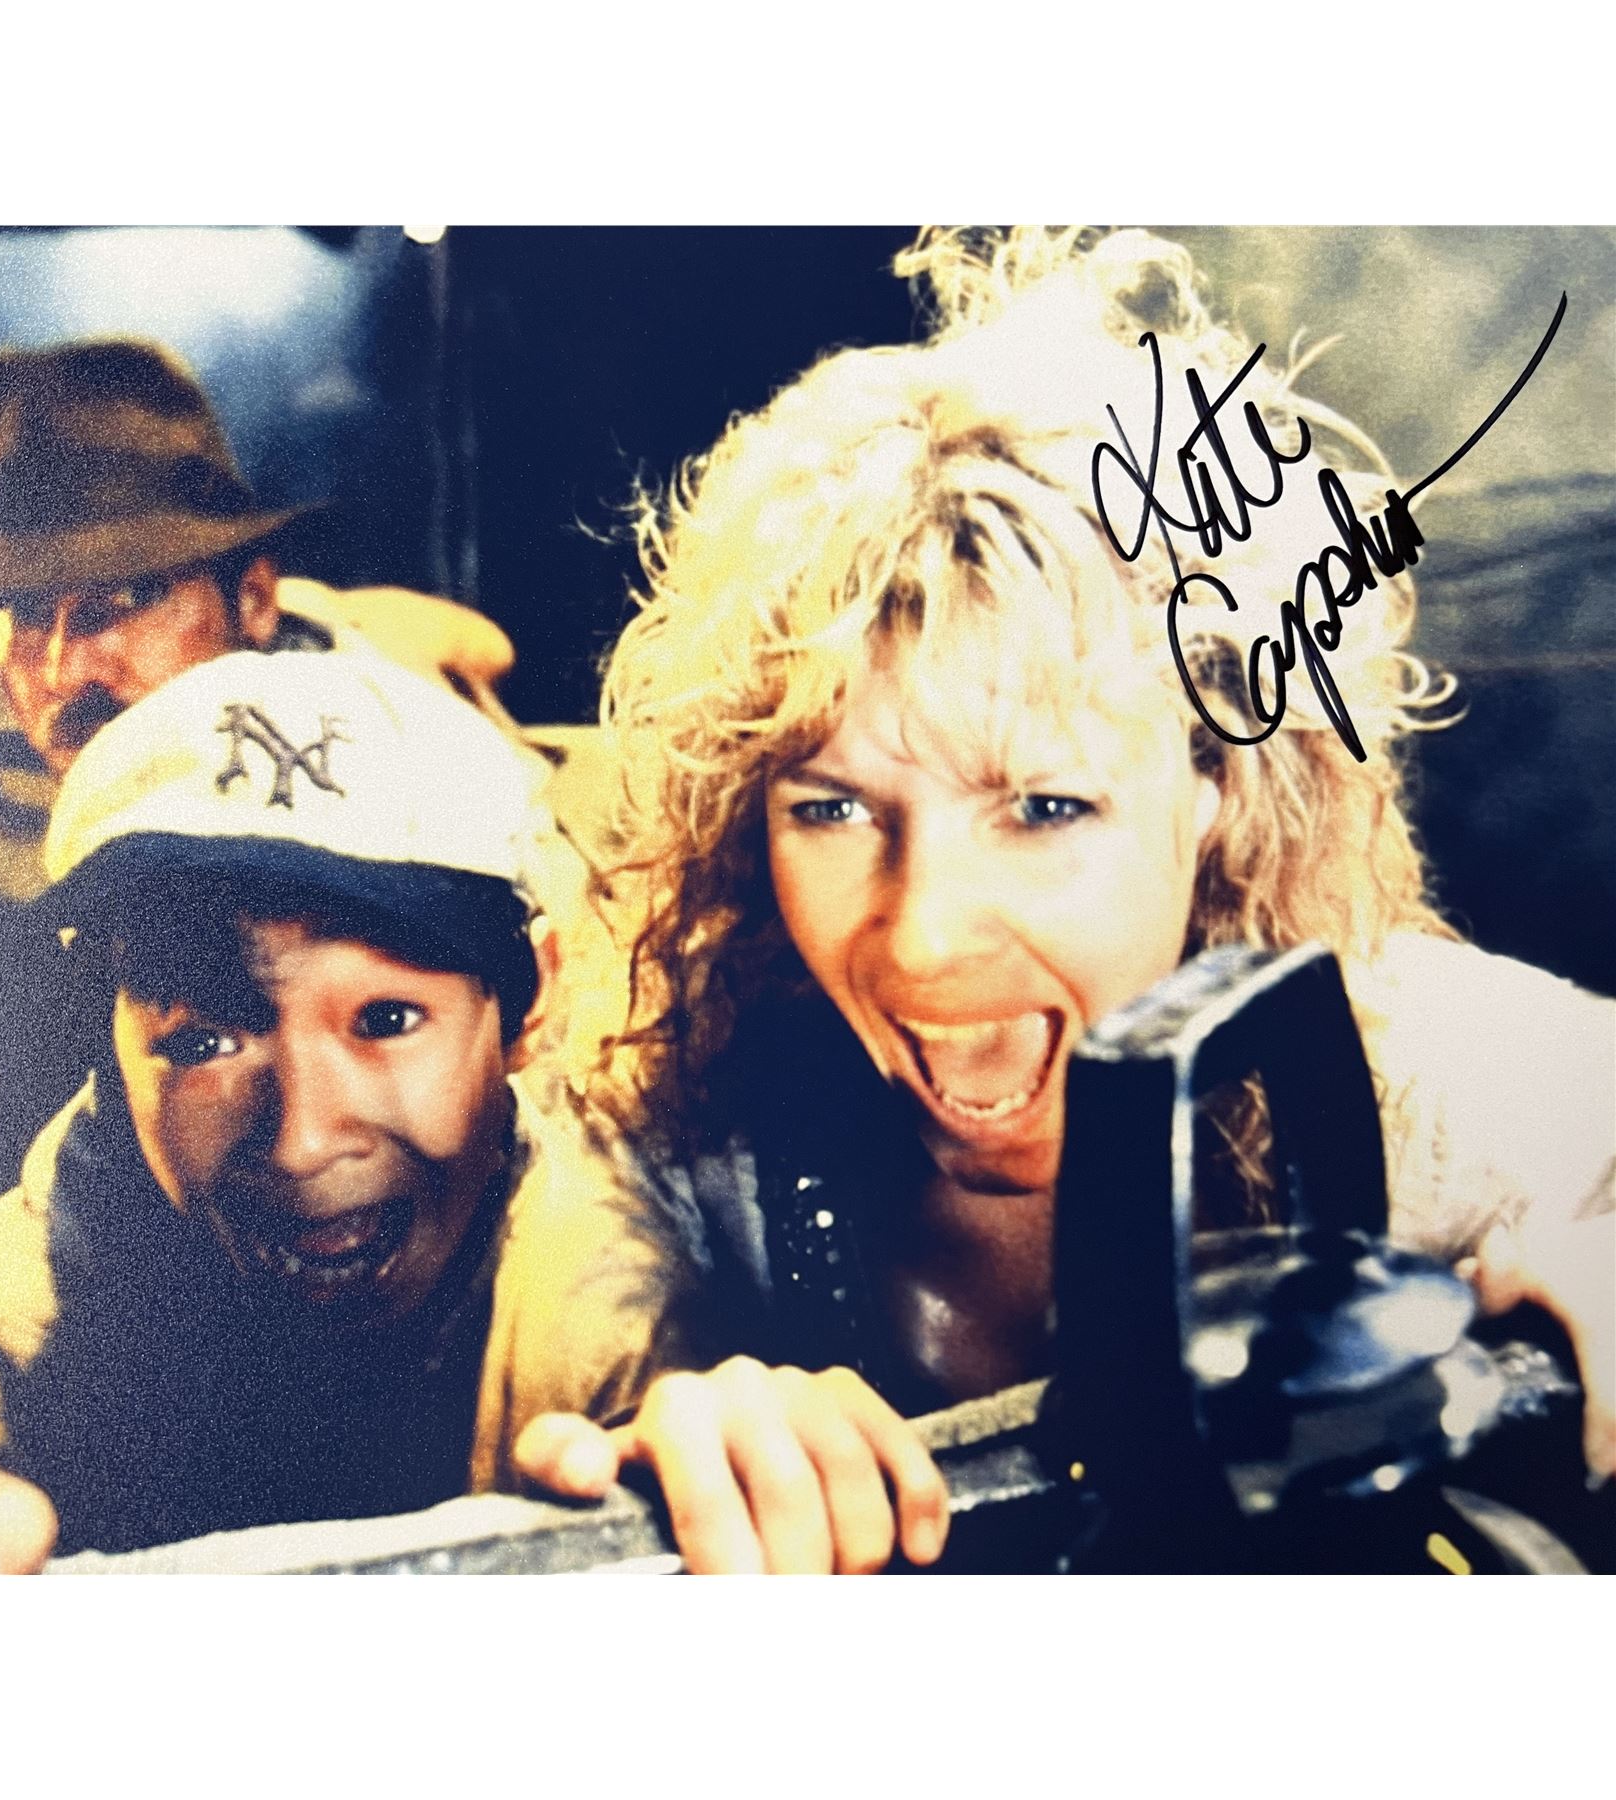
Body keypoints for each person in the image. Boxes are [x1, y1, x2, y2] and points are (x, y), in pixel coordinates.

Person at [554, 225, 1614, 1555]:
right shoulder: (687, 1136)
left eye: (1045, 807)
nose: (923, 937)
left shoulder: (1439, 1086)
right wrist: (677, 1441)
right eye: (830, 808)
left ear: (1220, 785)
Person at [0, 648, 946, 1573]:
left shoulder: (584, 1274)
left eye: (387, 1020)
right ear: (112, 1053)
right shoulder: (86, 1208)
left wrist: (716, 1464)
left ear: (528, 1007)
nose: (304, 1140)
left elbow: (650, 1377)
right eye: (204, 1042)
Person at [0, 340, 519, 1356]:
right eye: (23, 613)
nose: (67, 668)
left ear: (256, 601)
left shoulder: (427, 785)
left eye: (121, 601)